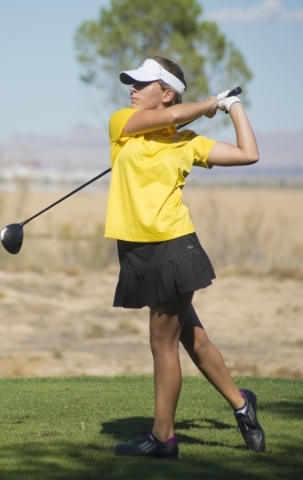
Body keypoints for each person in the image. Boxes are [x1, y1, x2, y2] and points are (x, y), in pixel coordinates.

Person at [104, 56, 265, 458]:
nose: (133, 89)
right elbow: (174, 114)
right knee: (193, 338)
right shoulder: (122, 124)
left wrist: (231, 106)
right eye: (133, 83)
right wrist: (205, 103)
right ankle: (243, 404)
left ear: (167, 91)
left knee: (162, 344)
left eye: (143, 84)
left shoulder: (187, 141)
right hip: (138, 251)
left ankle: (163, 438)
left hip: (174, 247)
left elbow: (249, 154)